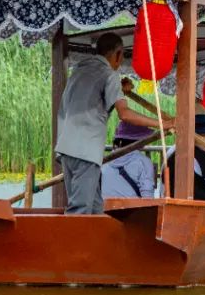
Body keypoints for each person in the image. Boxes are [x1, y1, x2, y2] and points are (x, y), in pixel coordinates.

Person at [55, 33, 170, 214]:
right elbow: (124, 114)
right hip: (85, 152)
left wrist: (120, 91)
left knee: (95, 209)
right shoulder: (109, 74)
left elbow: (90, 99)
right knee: (80, 210)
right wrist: (163, 124)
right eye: (122, 56)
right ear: (118, 54)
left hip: (67, 149)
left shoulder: (79, 71)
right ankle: (73, 242)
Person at [101, 133, 157, 198]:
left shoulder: (104, 160)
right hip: (132, 207)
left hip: (105, 207)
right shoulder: (143, 161)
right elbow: (148, 198)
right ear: (141, 141)